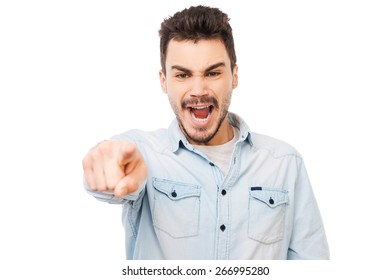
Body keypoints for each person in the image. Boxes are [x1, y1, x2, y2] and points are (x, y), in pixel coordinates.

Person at [82, 5, 329, 260]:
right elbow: (113, 167)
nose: (198, 89)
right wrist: (105, 165)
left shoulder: (285, 163)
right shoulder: (143, 155)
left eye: (212, 73)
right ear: (163, 81)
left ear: (234, 76)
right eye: (182, 75)